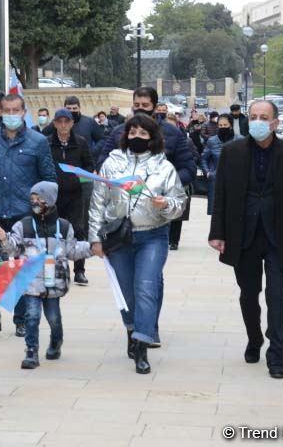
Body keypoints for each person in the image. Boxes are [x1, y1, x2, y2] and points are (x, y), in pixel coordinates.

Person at [208, 100, 283, 379]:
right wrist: (217, 232)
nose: (257, 121)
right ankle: (255, 338)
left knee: (277, 296)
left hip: (278, 234)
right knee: (248, 294)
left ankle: (276, 355)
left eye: (263, 117)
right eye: (253, 116)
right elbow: (220, 195)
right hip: (243, 234)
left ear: (275, 123)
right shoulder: (231, 152)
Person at [89, 115, 187, 374]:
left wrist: (165, 204)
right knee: (127, 293)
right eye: (133, 132)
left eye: (143, 134)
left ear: (152, 138)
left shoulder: (163, 167)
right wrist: (95, 238)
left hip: (152, 236)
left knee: (145, 287)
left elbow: (179, 202)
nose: (137, 137)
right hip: (118, 237)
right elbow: (98, 202)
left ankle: (142, 344)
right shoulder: (112, 163)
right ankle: (132, 330)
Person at [0, 94, 57, 337]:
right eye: (7, 110)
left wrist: (38, 203)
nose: (11, 115)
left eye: (15, 110)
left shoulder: (38, 141)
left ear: (23, 112)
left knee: (20, 266)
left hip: (24, 215)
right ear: (0, 111)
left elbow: (49, 178)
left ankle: (21, 318)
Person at [0, 181, 91, 369]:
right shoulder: (23, 226)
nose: (35, 202)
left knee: (54, 318)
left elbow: (72, 251)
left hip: (54, 283)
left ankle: (56, 341)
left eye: (39, 199)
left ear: (49, 200)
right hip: (31, 282)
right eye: (32, 199)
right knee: (31, 316)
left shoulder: (64, 227)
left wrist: (93, 248)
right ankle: (31, 351)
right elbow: (13, 249)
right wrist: (5, 240)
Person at [98, 87, 196, 261]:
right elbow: (102, 163)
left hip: (155, 213)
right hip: (123, 214)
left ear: (155, 106)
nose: (140, 108)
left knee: (150, 277)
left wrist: (163, 185)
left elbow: (188, 168)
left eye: (145, 105)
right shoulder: (119, 132)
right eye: (136, 105)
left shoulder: (172, 132)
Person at [48, 109, 94, 286]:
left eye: (66, 121)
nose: (63, 125)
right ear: (55, 124)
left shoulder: (80, 142)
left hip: (75, 195)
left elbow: (89, 164)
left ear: (72, 123)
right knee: (54, 232)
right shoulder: (47, 143)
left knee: (77, 230)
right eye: (59, 122)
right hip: (54, 196)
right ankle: (55, 268)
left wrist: (84, 175)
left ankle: (79, 270)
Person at [201, 114, 237, 215]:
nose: (222, 127)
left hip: (235, 181)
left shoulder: (239, 140)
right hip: (216, 180)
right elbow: (203, 158)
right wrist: (207, 172)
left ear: (230, 125)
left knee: (233, 212)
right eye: (220, 125)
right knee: (217, 213)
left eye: (225, 125)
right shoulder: (212, 141)